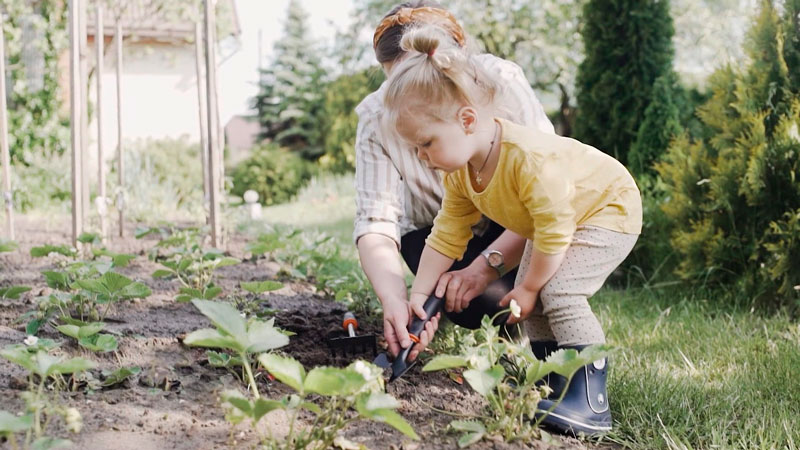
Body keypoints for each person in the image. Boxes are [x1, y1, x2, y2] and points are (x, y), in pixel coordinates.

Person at [380, 25, 643, 437]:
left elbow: (555, 230)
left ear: (466, 120)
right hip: (556, 224)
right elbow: (446, 236)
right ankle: (550, 384)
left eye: (426, 143)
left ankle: (591, 401)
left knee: (557, 292)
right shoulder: (462, 175)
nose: (422, 156)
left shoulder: (527, 159)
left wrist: (531, 285)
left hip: (607, 210)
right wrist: (418, 298)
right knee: (530, 304)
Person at [355, 1, 555, 363]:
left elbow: (552, 200)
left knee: (513, 290)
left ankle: (540, 323)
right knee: (467, 304)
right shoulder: (375, 117)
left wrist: (484, 267)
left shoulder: (501, 83)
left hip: (518, 223)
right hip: (438, 232)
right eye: (396, 85)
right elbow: (375, 223)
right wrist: (399, 300)